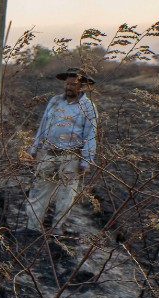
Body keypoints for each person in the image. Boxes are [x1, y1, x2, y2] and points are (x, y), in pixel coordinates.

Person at [23, 67, 99, 234]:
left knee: (66, 194)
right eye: (67, 84)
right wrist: (34, 149)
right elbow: (44, 125)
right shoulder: (55, 101)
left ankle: (57, 228)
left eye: (73, 84)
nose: (68, 87)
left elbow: (90, 135)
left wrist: (86, 160)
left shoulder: (88, 107)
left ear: (82, 86)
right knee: (39, 190)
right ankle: (33, 228)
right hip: (49, 153)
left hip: (70, 157)